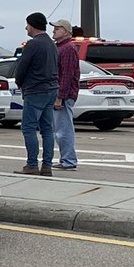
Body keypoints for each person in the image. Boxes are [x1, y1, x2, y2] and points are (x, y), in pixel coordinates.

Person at [13, 11, 58, 176]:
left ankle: (31, 164)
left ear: (32, 25)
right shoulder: (52, 44)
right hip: (51, 89)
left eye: (27, 25)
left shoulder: (32, 45)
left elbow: (22, 67)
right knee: (47, 129)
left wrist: (19, 82)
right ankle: (47, 166)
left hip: (35, 90)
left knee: (28, 127)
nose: (26, 28)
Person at [52, 18, 80, 169]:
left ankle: (68, 161)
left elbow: (67, 75)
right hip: (61, 94)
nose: (54, 30)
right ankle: (66, 159)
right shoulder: (60, 47)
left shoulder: (68, 48)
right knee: (58, 130)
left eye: (57, 28)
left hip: (64, 95)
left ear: (66, 31)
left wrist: (60, 97)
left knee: (63, 130)